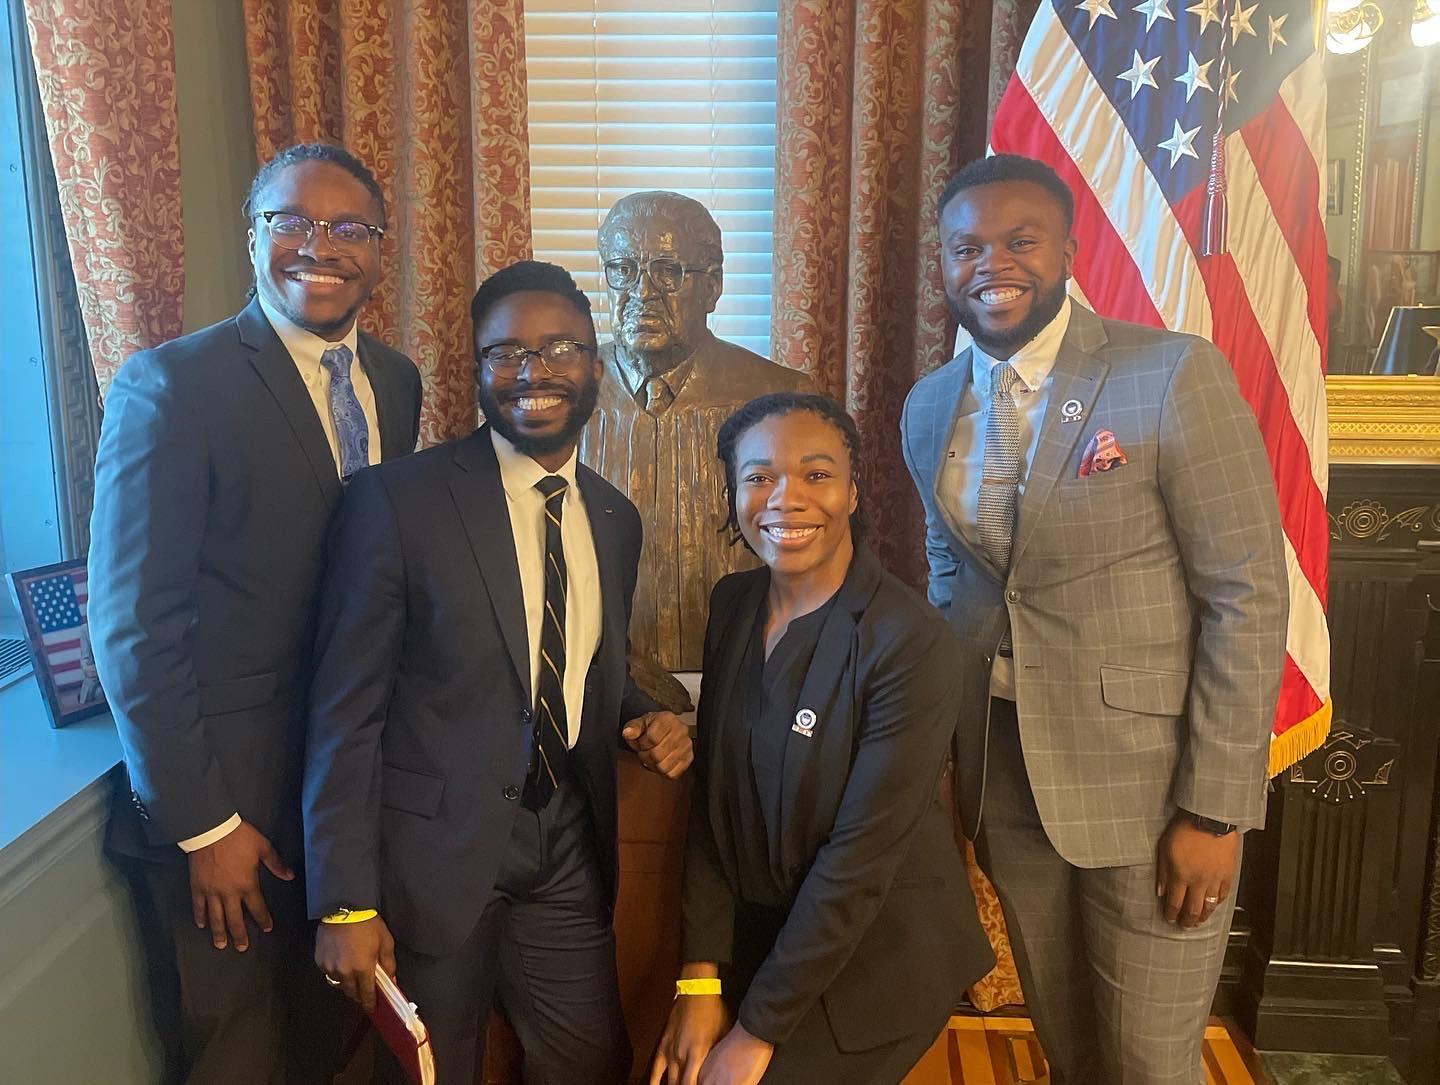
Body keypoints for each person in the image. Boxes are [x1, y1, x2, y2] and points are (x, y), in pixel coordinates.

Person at [901, 153, 1288, 1084]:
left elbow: (1247, 591)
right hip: (1004, 771)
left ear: (1070, 251)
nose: (991, 263)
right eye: (966, 247)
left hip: (1153, 790)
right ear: (945, 266)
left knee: (1150, 1061)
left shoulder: (1169, 375)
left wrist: (1215, 809)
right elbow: (950, 582)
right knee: (1069, 1044)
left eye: (1019, 240)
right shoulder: (928, 406)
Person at [303, 260, 694, 1085]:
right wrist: (344, 898)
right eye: (505, 352)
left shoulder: (615, 519)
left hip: (563, 850)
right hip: (429, 861)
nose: (533, 371)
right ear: (477, 371)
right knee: (428, 1072)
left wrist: (637, 711)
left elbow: (568, 664)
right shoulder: (396, 502)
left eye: (559, 349)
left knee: (591, 1063)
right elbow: (345, 711)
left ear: (594, 363)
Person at [88, 142, 423, 1083]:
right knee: (237, 1055)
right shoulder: (172, 386)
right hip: (225, 811)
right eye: (292, 221)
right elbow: (131, 629)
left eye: (348, 227)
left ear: (378, 249)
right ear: (253, 237)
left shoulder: (395, 382)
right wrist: (205, 826)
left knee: (333, 1043)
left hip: (342, 796)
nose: (320, 245)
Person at [651, 393, 994, 1085]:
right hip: (764, 942)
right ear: (733, 490)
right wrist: (698, 980)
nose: (785, 498)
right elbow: (715, 807)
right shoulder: (732, 606)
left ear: (853, 489)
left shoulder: (910, 640)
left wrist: (756, 1029)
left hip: (877, 952)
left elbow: (858, 866)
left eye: (815, 473)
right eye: (758, 476)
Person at [580, 190, 813, 691]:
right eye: (622, 269)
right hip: (594, 692)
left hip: (750, 687)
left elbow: (819, 568)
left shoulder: (785, 401)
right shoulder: (562, 400)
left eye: (667, 271)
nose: (641, 292)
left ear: (714, 287)